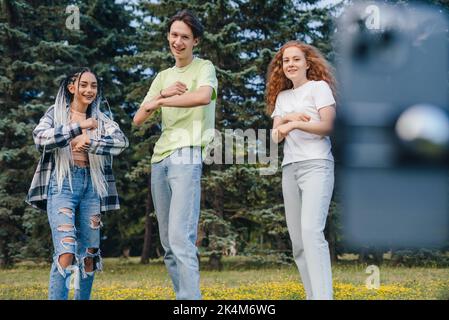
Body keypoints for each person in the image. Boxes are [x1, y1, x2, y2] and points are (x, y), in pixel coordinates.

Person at [133, 10, 218, 300]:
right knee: (168, 243)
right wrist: (161, 96)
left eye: (184, 36)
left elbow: (203, 97)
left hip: (187, 153)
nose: (177, 41)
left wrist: (163, 101)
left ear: (195, 41)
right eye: (174, 35)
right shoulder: (162, 77)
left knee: (182, 238)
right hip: (160, 159)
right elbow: (138, 118)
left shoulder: (204, 67)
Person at [26, 67, 129, 300]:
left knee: (90, 255)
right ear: (72, 88)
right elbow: (39, 137)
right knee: (66, 252)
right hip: (62, 185)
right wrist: (78, 128)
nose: (89, 90)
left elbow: (121, 142)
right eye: (83, 85)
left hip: (92, 186)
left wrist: (90, 142)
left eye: (93, 86)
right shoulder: (55, 114)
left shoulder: (101, 120)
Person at [266, 40, 337, 300]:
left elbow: (327, 126)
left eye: (296, 59)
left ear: (308, 63)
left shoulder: (319, 88)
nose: (291, 64)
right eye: (286, 61)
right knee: (298, 243)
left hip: (317, 164)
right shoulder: (283, 97)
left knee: (311, 232)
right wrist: (290, 119)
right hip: (290, 169)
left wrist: (292, 126)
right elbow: (275, 137)